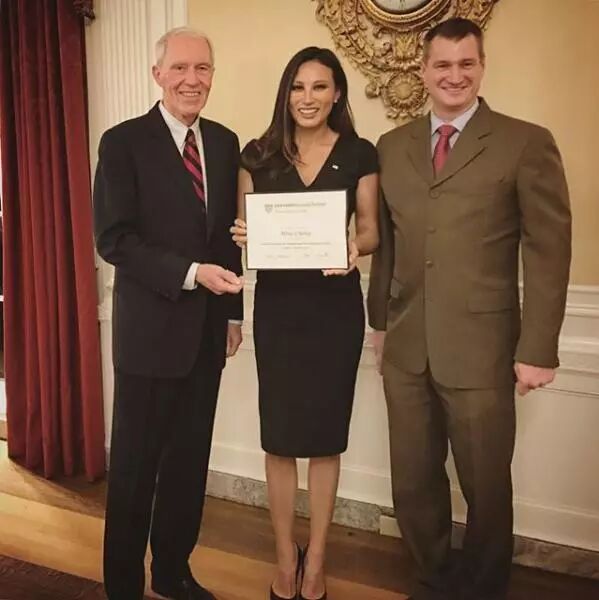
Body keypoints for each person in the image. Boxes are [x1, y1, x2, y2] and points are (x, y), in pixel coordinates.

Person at [368, 17, 571, 600]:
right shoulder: (392, 146)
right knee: (412, 481)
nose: (454, 75)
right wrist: (379, 322)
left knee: (486, 486)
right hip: (406, 347)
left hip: (483, 352)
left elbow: (548, 249)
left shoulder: (525, 142)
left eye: (466, 64)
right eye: (442, 64)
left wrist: (538, 349)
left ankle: (483, 588)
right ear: (423, 70)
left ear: (482, 67)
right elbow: (388, 244)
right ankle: (432, 579)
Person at [93, 27, 243, 600]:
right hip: (148, 338)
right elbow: (115, 239)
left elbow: (227, 238)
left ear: (212, 76)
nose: (191, 79)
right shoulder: (122, 143)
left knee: (188, 464)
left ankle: (173, 573)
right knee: (134, 472)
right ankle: (123, 585)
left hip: (206, 336)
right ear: (158, 74)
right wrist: (191, 273)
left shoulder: (225, 143)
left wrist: (233, 314)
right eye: (180, 68)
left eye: (202, 68)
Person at [230, 47, 379, 600]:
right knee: (279, 440)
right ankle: (283, 557)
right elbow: (243, 228)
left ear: (337, 93)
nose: (307, 98)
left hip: (335, 312)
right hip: (279, 312)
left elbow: (371, 230)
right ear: (285, 93)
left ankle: (315, 558)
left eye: (319, 86)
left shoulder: (360, 152)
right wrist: (243, 234)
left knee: (324, 440)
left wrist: (355, 247)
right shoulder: (257, 155)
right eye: (298, 87)